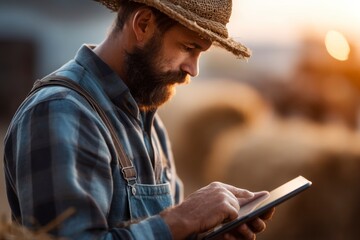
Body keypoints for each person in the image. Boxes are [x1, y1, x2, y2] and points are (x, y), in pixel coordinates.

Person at [3, 0, 274, 239]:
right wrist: (182, 218)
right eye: (188, 47)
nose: (193, 69)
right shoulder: (62, 112)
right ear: (143, 25)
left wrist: (205, 231)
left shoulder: (148, 120)